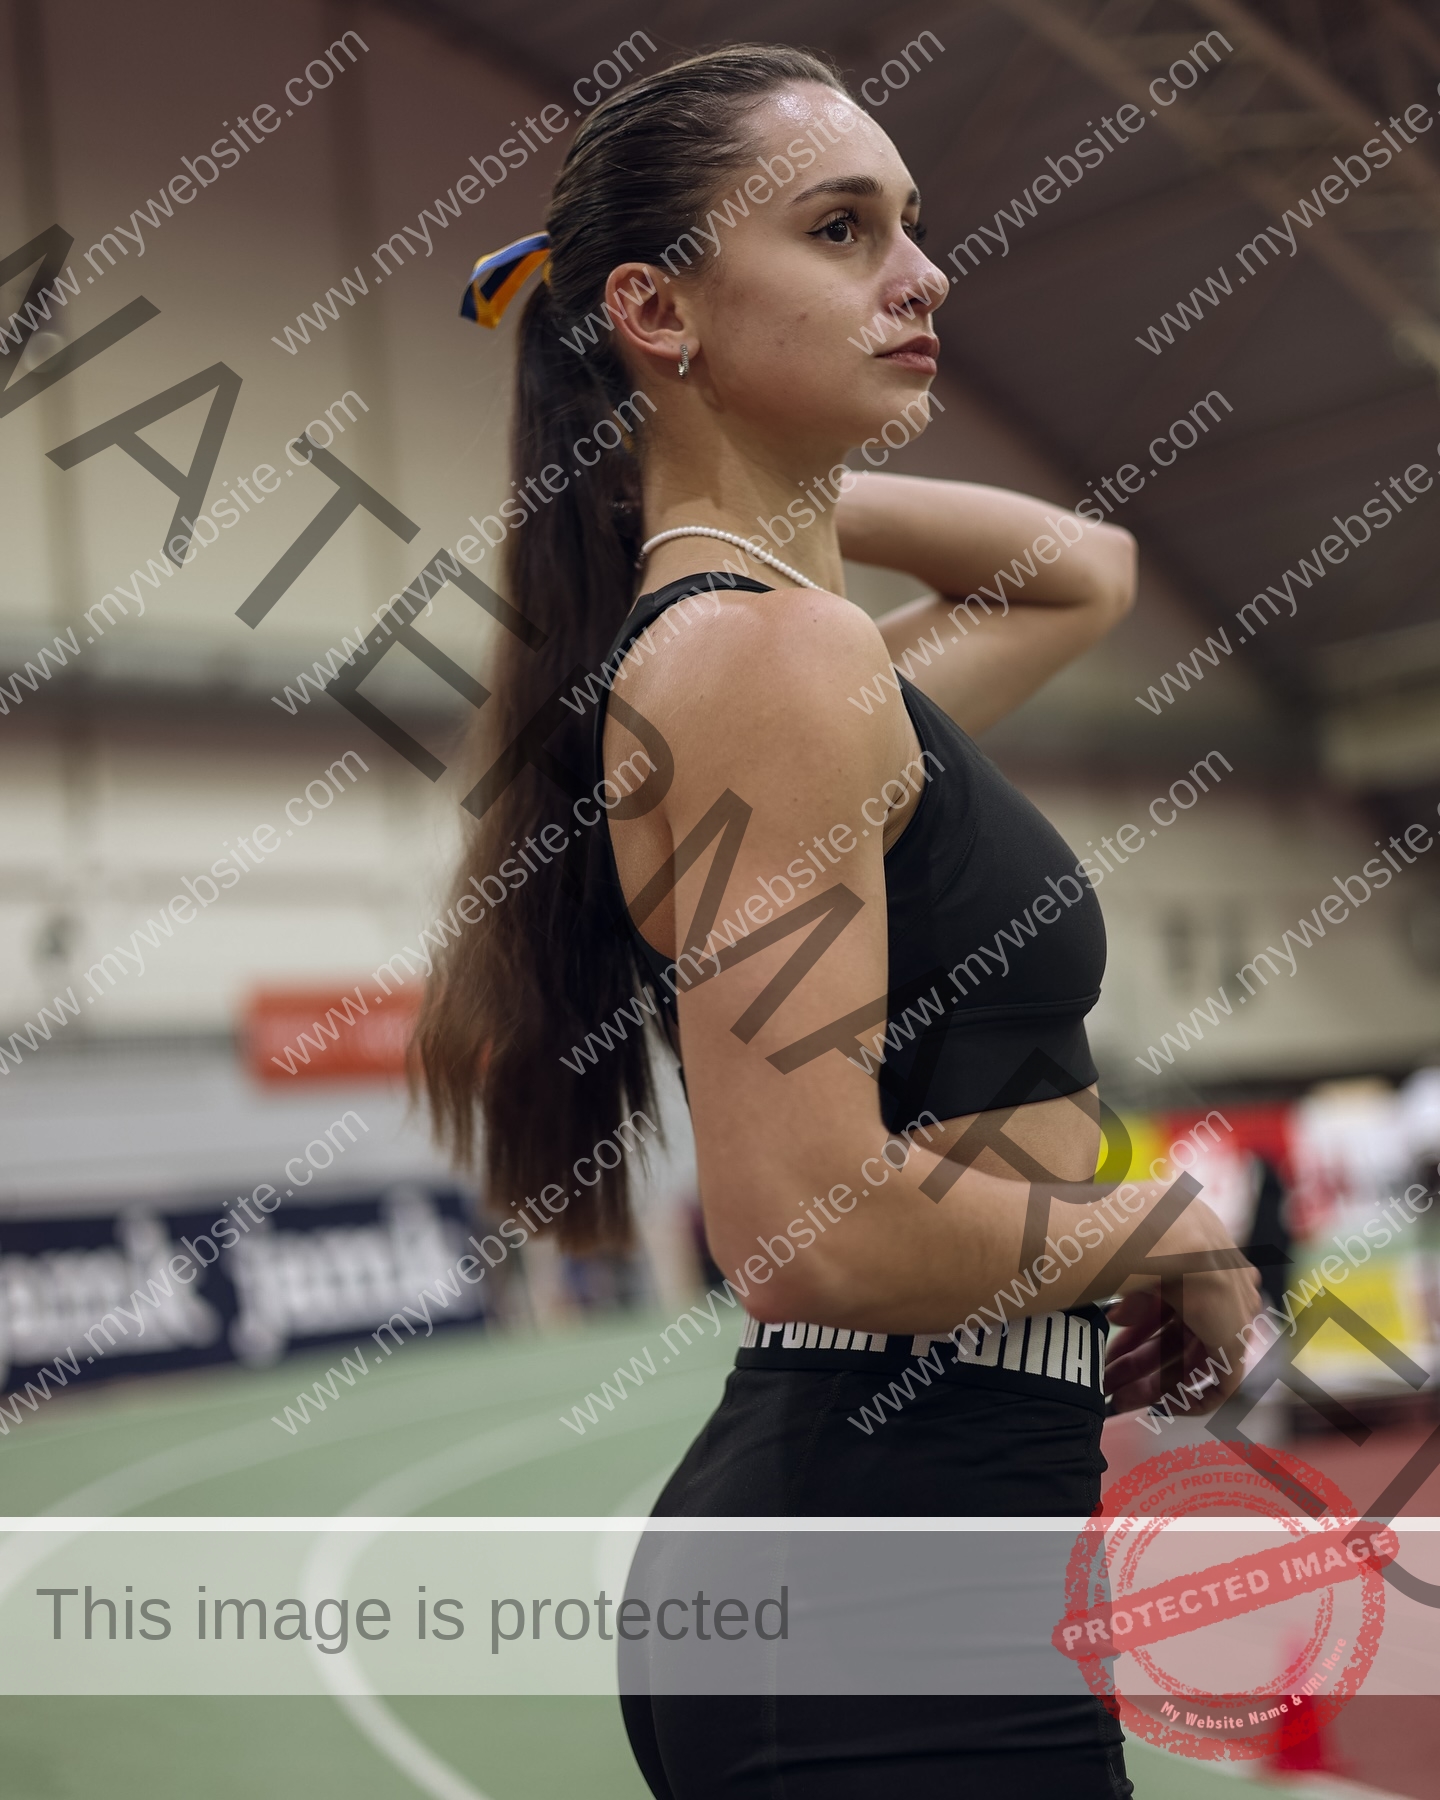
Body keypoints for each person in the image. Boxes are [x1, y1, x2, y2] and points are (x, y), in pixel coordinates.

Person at [419, 43, 1261, 1800]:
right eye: (841, 228)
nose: (925, 271)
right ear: (663, 309)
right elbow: (811, 1233)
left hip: (924, 1563)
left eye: (914, 225)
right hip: (884, 1592)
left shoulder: (779, 652)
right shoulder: (764, 657)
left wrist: (677, 445)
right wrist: (1161, 1222)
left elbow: (1078, 568)